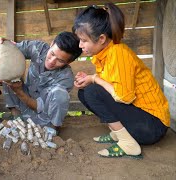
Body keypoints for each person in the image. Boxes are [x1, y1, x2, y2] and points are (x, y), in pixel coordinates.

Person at [72, 3, 170, 158]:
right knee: (85, 92)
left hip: (153, 126)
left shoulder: (118, 53)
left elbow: (123, 97)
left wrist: (95, 79)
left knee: (92, 91)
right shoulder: (104, 55)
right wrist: (89, 79)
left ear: (102, 39)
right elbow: (109, 88)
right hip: (141, 120)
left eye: (83, 40)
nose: (80, 45)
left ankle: (128, 143)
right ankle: (119, 133)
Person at [0, 32, 82, 134]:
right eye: (52, 53)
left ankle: (53, 129)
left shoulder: (65, 78)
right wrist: (2, 45)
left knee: (61, 95)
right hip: (23, 99)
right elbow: (12, 50)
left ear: (69, 62)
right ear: (51, 44)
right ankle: (16, 116)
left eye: (60, 60)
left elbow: (39, 106)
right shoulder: (39, 48)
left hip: (42, 115)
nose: (52, 61)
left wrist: (19, 92)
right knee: (7, 68)